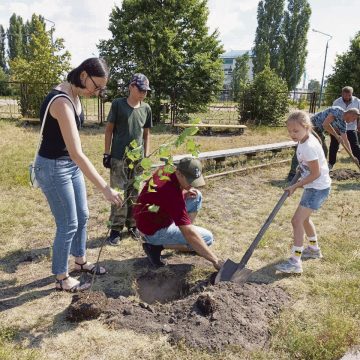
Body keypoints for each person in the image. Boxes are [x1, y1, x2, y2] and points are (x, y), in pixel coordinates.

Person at [35, 58, 122, 292]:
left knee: (82, 215)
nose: (98, 92)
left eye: (102, 88)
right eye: (97, 86)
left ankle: (80, 261)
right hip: (53, 167)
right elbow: (76, 153)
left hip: (68, 165)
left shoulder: (75, 95)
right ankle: (62, 278)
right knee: (68, 223)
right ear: (84, 76)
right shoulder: (62, 102)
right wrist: (105, 187)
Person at [133, 157, 222, 270]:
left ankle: (185, 237)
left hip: (149, 216)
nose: (192, 184)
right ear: (179, 173)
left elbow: (162, 198)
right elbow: (189, 232)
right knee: (207, 238)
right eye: (189, 181)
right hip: (152, 231)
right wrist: (216, 260)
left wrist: (184, 192)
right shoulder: (171, 195)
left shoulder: (167, 169)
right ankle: (155, 246)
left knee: (196, 195)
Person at [276, 110, 331, 274]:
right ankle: (314, 250)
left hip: (317, 188)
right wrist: (302, 167)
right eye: (290, 131)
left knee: (296, 221)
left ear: (306, 127)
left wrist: (295, 185)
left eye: (296, 131)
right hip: (317, 186)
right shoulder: (304, 139)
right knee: (305, 220)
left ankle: (295, 261)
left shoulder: (309, 146)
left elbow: (316, 173)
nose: (292, 134)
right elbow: (311, 167)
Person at [103, 73, 152, 245]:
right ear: (131, 87)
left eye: (146, 91)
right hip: (118, 157)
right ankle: (115, 229)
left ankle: (133, 224)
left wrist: (145, 156)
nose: (143, 94)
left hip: (137, 159)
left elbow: (146, 134)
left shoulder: (146, 108)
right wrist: (106, 153)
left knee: (134, 191)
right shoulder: (118, 105)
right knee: (118, 192)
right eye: (140, 90)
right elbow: (109, 130)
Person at [287, 106, 360, 180]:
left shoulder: (343, 124)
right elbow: (325, 125)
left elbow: (345, 140)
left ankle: (314, 173)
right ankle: (292, 174)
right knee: (303, 149)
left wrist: (352, 156)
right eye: (354, 119)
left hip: (318, 131)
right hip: (310, 127)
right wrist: (336, 136)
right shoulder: (337, 111)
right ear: (351, 114)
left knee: (323, 150)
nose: (353, 121)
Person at [329, 86, 360, 169]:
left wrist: (359, 124)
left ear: (351, 94)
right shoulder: (336, 102)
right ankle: (331, 164)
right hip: (337, 127)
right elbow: (332, 115)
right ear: (342, 94)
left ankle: (359, 162)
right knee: (334, 145)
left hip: (351, 127)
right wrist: (334, 128)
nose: (347, 97)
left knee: (355, 145)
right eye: (345, 95)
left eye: (349, 95)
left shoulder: (357, 102)